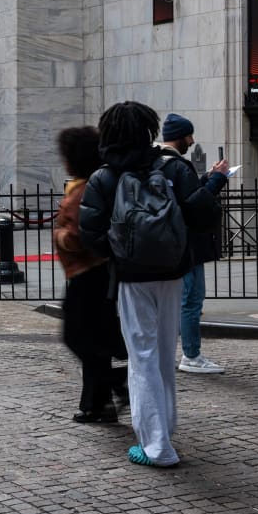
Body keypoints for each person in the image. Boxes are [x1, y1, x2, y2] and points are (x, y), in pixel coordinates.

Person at [77, 101, 220, 468]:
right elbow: (203, 216)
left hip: (131, 277)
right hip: (173, 273)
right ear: (148, 130)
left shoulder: (104, 178)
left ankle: (155, 446)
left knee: (141, 357)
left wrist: (120, 253)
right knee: (164, 355)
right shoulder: (173, 168)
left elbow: (90, 234)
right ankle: (164, 430)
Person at [54, 125, 128, 424]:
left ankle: (116, 383)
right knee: (95, 338)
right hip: (94, 272)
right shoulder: (92, 184)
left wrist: (59, 236)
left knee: (78, 337)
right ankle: (98, 404)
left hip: (87, 273)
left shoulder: (84, 189)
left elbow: (77, 236)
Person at [158, 114, 230, 375]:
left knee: (179, 301)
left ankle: (175, 353)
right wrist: (217, 179)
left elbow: (186, 196)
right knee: (191, 300)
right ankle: (191, 355)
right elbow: (197, 205)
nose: (192, 141)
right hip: (186, 244)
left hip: (168, 243)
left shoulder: (159, 162)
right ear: (181, 136)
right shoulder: (178, 165)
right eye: (189, 135)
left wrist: (208, 177)